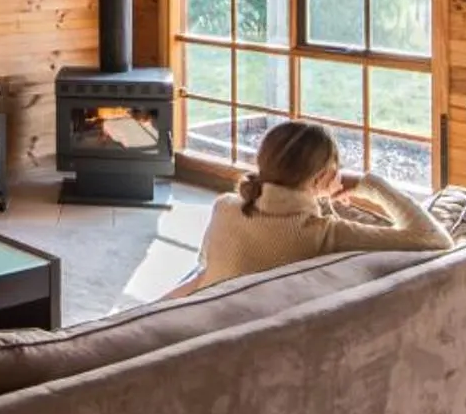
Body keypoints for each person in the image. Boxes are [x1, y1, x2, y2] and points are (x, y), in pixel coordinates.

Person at [178, 119, 451, 293]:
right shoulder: (323, 235)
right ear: (321, 177)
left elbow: (204, 273)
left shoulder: (224, 207)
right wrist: (371, 184)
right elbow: (434, 239)